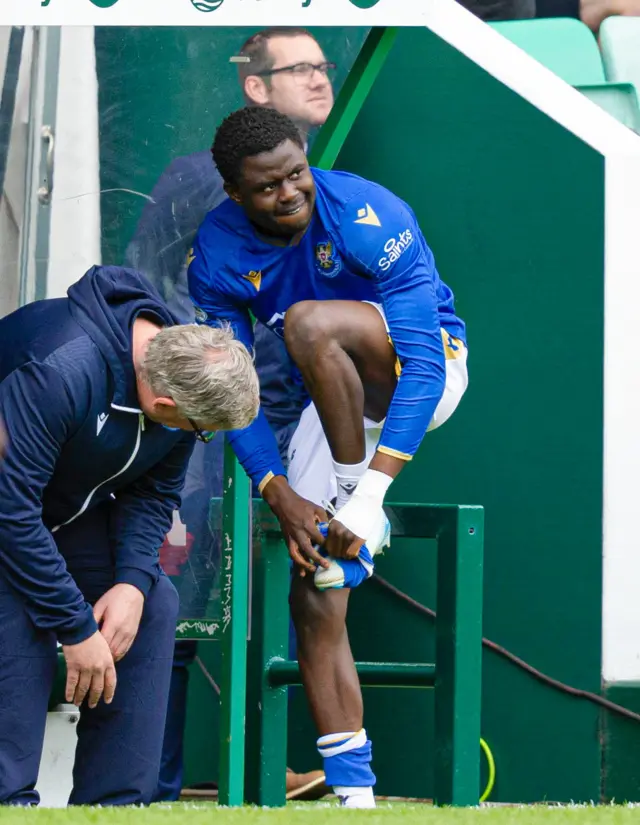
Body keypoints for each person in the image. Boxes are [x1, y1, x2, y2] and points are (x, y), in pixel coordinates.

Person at [187, 106, 469, 808]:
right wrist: (275, 486)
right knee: (316, 588)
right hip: (332, 401)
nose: (289, 194)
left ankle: (354, 498)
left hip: (418, 372)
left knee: (312, 323)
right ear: (234, 192)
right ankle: (354, 793)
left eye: (297, 174)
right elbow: (230, 386)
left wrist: (365, 495)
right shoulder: (217, 252)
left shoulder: (370, 212)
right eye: (267, 187)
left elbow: (425, 369)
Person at [125, 27, 335, 802]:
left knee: (270, 577)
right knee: (178, 587)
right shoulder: (195, 178)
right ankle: (152, 775)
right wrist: (206, 402)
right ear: (254, 86)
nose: (320, 77)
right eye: (300, 66)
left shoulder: (329, 182)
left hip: (282, 417)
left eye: (324, 64)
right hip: (205, 424)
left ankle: (261, 765)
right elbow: (159, 286)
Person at [0, 264, 259, 806]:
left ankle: (115, 808)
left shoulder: (177, 381)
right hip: (11, 516)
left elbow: (152, 495)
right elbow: (10, 512)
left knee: (154, 603)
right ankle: (10, 802)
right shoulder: (60, 370)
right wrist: (76, 627)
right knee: (19, 602)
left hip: (45, 519)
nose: (199, 437)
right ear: (165, 408)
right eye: (200, 430)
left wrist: (132, 584)